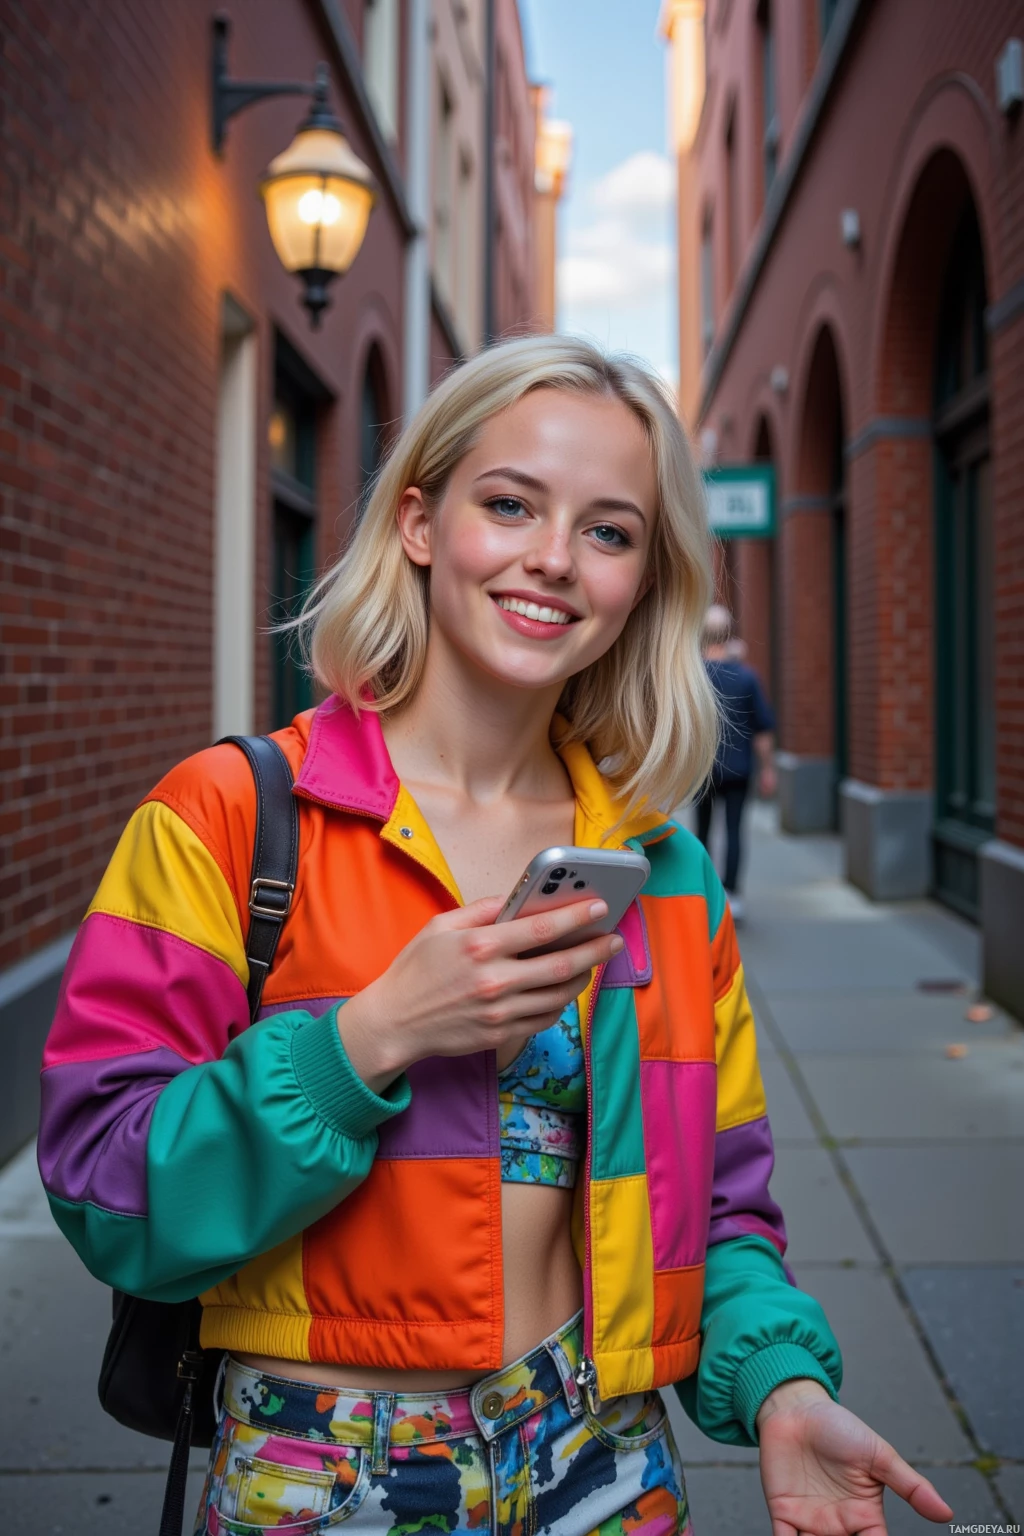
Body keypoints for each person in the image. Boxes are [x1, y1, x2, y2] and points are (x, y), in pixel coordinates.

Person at [38, 337, 952, 1536]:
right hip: (323, 1467)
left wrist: (777, 1383)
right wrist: (367, 1039)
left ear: (644, 579)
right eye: (511, 503)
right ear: (419, 523)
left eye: (609, 531)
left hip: (606, 1453)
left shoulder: (665, 876)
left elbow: (720, 1209)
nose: (553, 561)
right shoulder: (227, 817)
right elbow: (110, 1195)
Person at [697, 604, 776, 923]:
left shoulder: (692, 675)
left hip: (701, 771)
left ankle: (701, 891)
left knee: (701, 831)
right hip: (740, 768)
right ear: (729, 635)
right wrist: (768, 768)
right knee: (734, 831)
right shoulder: (747, 677)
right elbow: (763, 730)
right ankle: (732, 896)